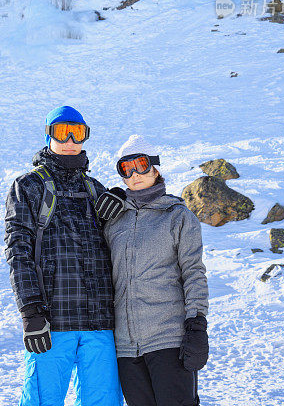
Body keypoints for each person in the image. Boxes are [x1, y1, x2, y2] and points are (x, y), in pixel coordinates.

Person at [4, 105, 123, 406]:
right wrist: (31, 312)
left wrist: (123, 201)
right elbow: (18, 251)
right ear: (48, 135)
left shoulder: (96, 190)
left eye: (77, 132)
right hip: (53, 323)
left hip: (100, 324)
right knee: (42, 401)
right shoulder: (28, 186)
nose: (70, 139)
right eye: (61, 131)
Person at [98, 134, 209, 406]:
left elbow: (193, 271)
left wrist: (197, 325)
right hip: (125, 345)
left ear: (156, 168)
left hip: (168, 339)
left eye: (141, 165)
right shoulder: (114, 220)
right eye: (126, 169)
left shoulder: (177, 215)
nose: (135, 174)